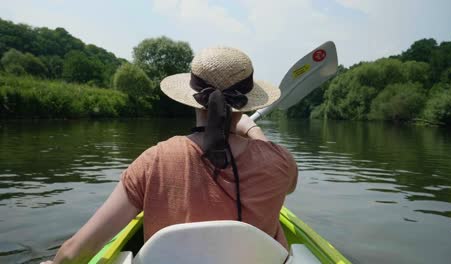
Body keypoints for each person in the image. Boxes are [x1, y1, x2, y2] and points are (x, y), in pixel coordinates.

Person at [41, 47, 297, 264]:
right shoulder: (280, 162)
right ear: (244, 106)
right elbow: (284, 176)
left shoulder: (154, 161)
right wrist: (253, 130)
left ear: (192, 99)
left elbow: (77, 251)